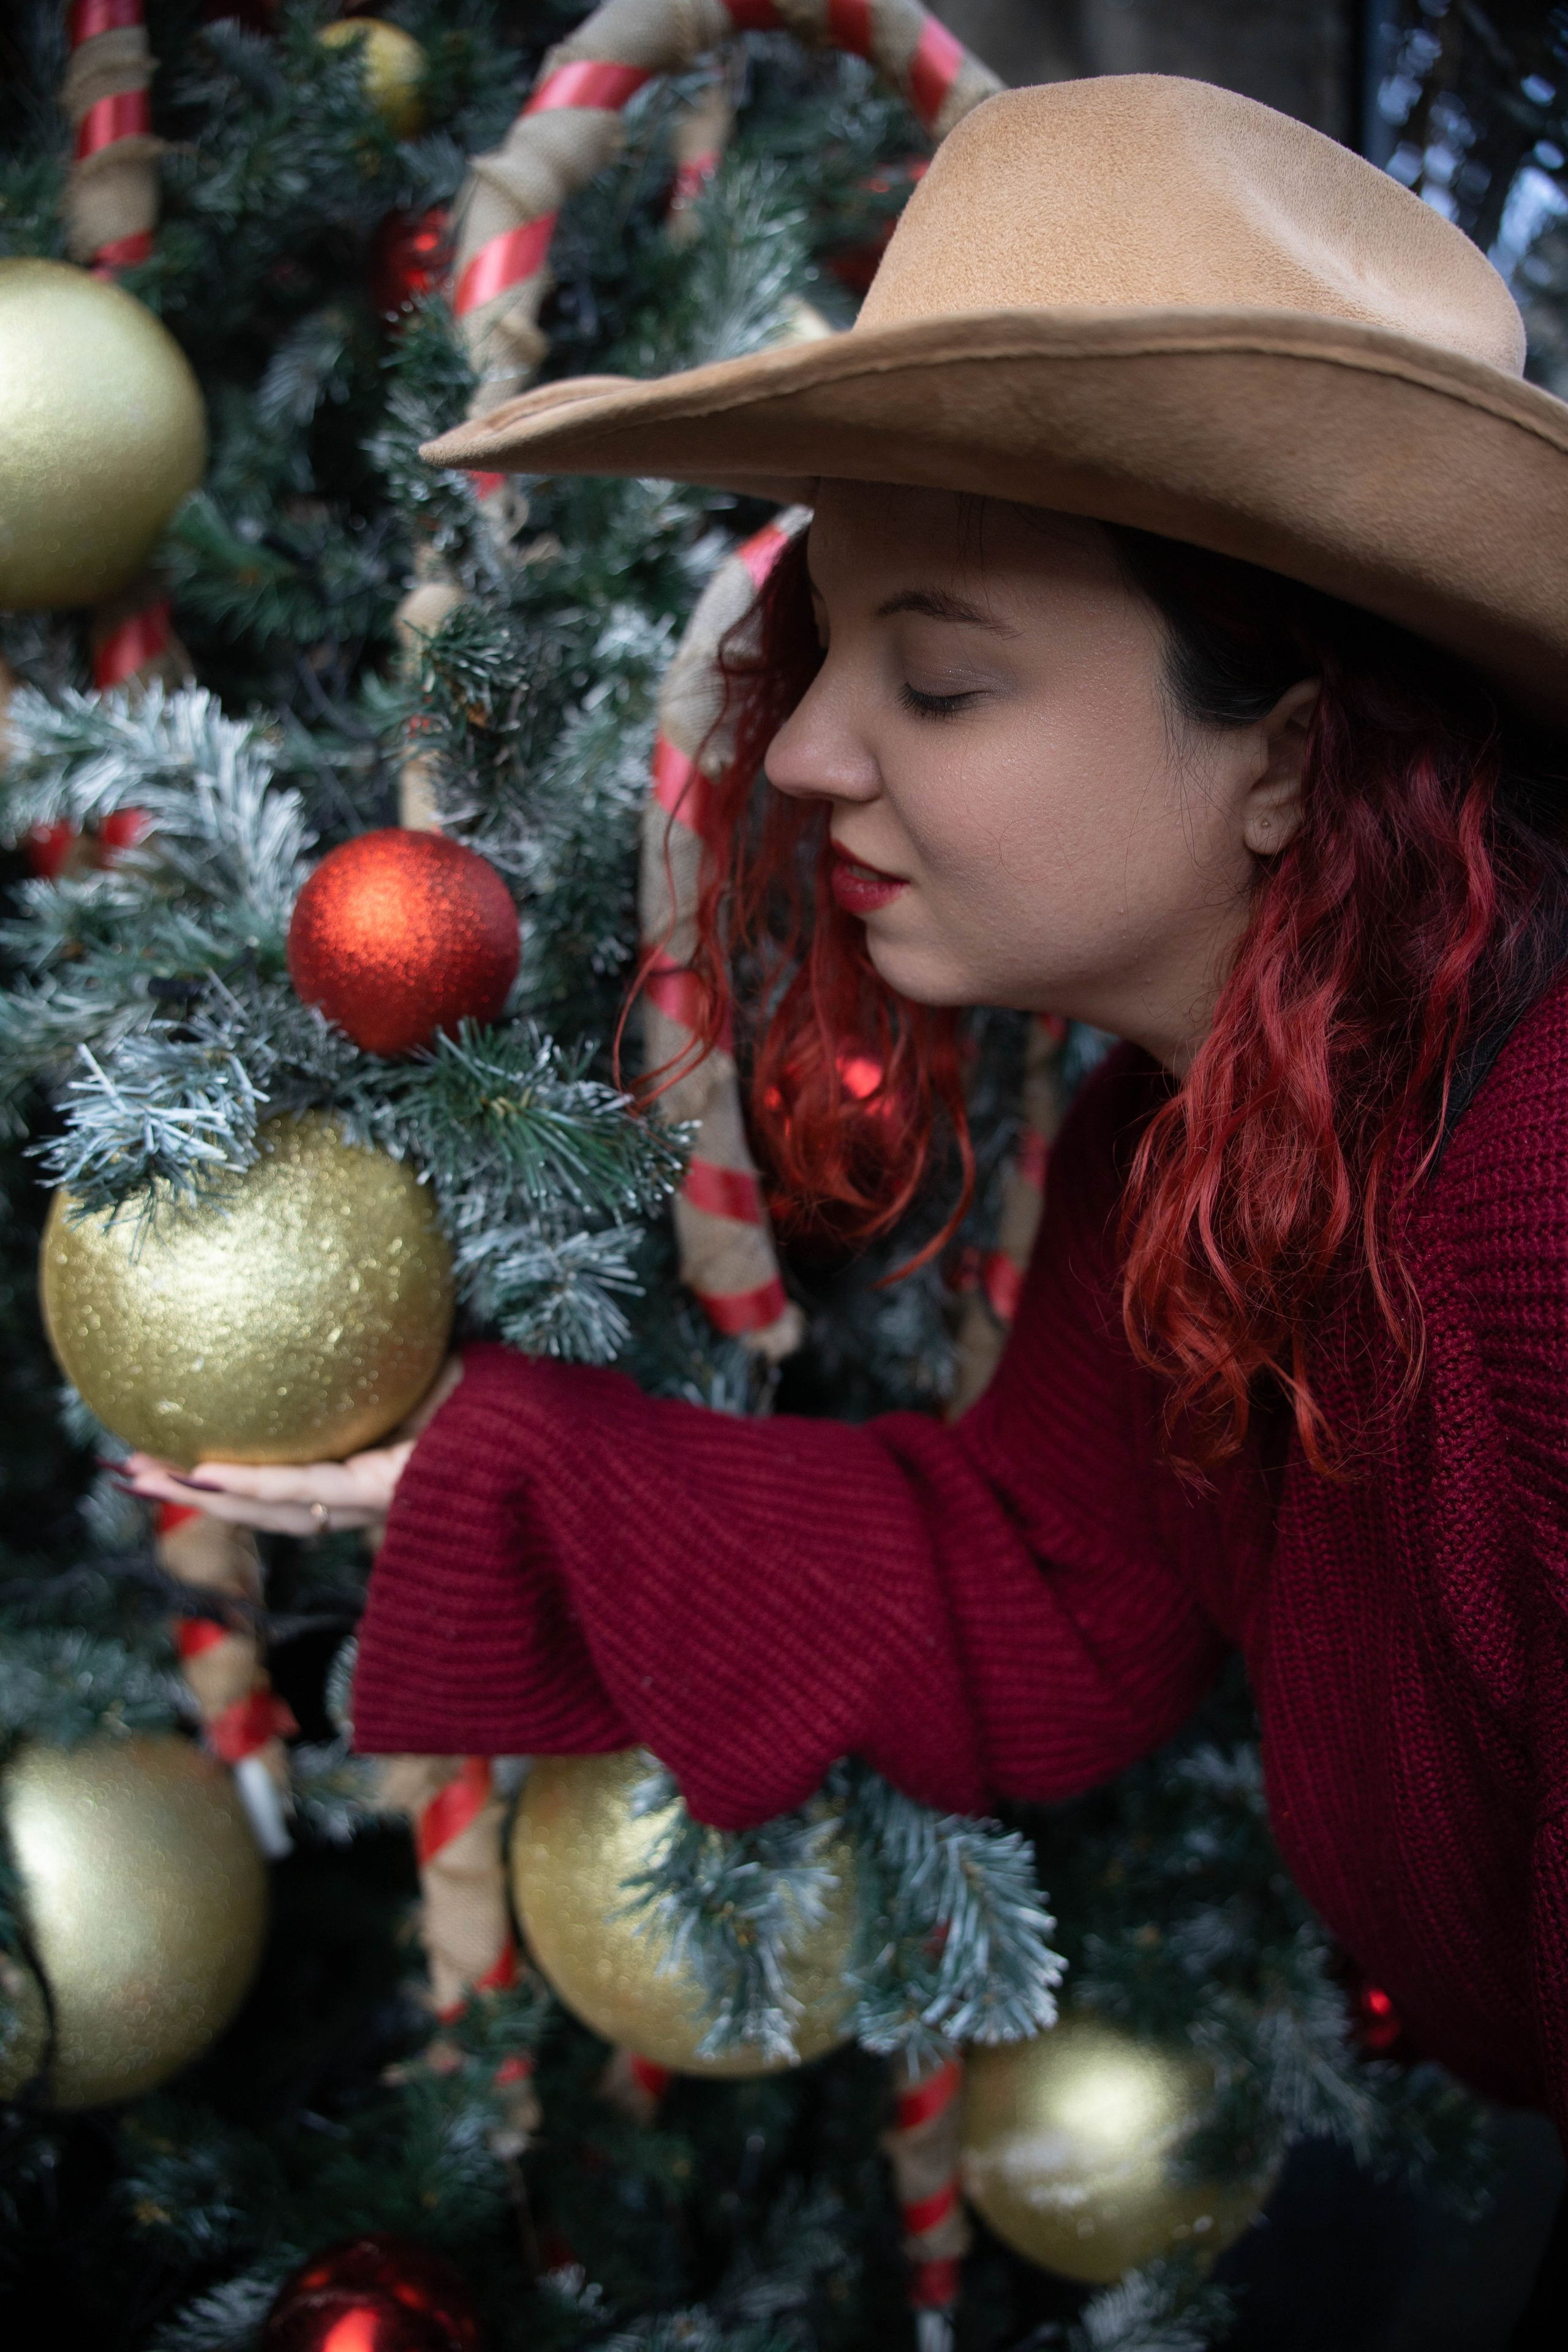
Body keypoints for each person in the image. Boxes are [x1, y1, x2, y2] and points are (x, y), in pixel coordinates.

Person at [127, 71, 1568, 2242]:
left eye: (944, 681)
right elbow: (1051, 1585)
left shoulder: (1540, 1195)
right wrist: (492, 1475)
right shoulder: (1185, 1135)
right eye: (828, 652)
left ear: (1289, 757)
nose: (802, 748)